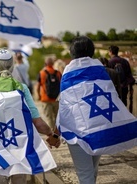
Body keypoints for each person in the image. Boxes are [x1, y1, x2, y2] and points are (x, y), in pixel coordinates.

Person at [0, 48, 60, 184]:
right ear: (12, 66)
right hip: (18, 151)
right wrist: (52, 135)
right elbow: (38, 123)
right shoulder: (21, 89)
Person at [58, 36, 101, 184]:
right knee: (92, 171)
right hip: (99, 127)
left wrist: (58, 131)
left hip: (78, 130)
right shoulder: (99, 69)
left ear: (72, 53)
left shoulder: (69, 72)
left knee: (85, 174)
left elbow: (64, 105)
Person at [37, 57, 62, 130]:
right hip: (56, 99)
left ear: (45, 64)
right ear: (53, 64)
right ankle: (59, 133)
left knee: (49, 118)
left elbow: (38, 86)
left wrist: (39, 96)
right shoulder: (58, 73)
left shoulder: (41, 73)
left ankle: (53, 134)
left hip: (45, 99)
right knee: (57, 118)